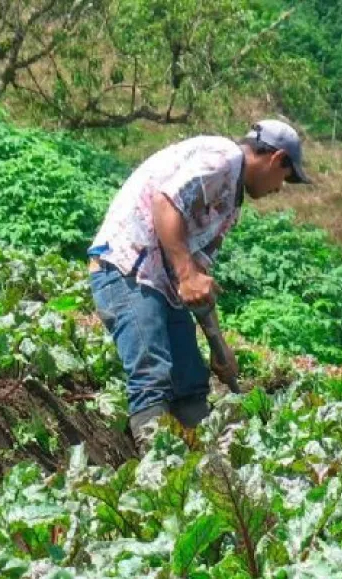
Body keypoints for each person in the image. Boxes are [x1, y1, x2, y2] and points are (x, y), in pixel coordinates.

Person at [87, 119, 311, 449]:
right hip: (126, 269)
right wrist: (186, 274)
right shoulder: (223, 158)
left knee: (191, 382)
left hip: (161, 283)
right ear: (277, 158)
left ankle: (205, 470)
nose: (280, 188)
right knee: (153, 376)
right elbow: (166, 201)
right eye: (285, 178)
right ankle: (158, 474)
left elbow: (199, 280)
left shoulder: (230, 206)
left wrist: (219, 347)